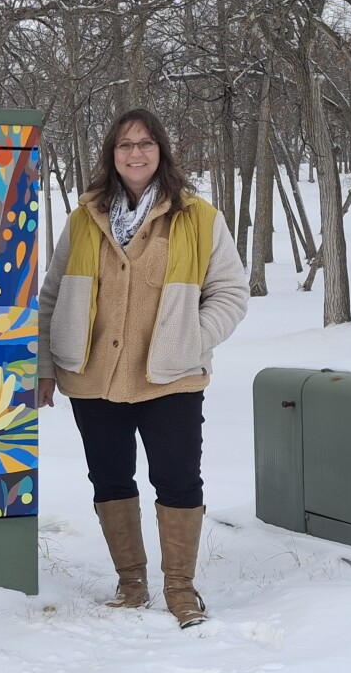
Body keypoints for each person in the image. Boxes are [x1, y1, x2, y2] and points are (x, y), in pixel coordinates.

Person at [38, 107, 249, 628]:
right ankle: (131, 584)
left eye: (146, 144)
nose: (136, 153)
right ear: (112, 155)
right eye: (126, 145)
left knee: (178, 480)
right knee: (110, 478)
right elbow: (52, 294)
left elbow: (231, 293)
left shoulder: (199, 217)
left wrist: (193, 342)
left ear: (162, 152)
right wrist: (45, 365)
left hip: (170, 378)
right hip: (93, 377)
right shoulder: (85, 217)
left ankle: (180, 589)